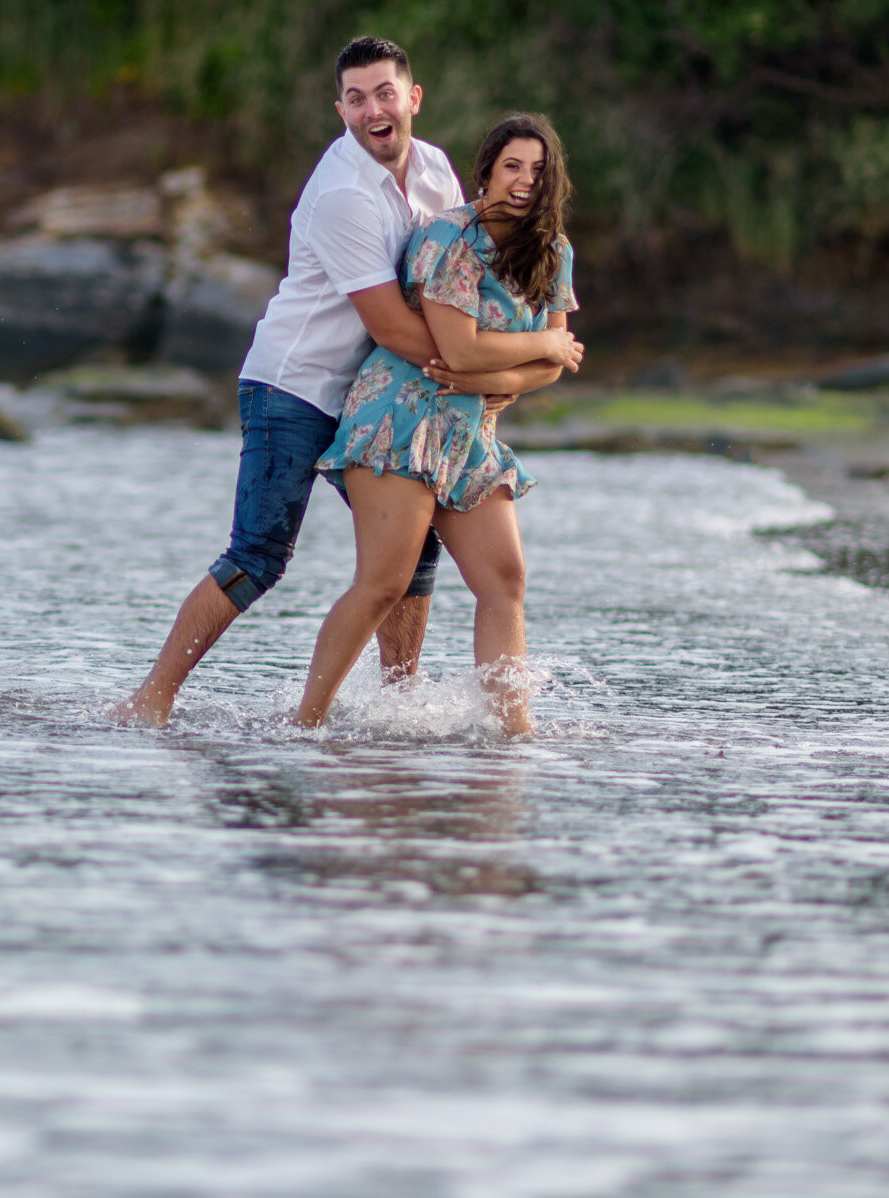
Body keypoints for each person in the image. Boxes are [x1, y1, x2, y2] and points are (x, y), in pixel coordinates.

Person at [113, 38, 563, 727]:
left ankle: (396, 704)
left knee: (412, 555)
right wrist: (492, 371)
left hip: (382, 393)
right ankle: (152, 700)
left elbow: (458, 286)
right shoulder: (343, 196)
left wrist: (492, 367)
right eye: (355, 98)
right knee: (259, 553)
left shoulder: (438, 171)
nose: (372, 109)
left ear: (412, 98)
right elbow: (399, 329)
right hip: (295, 386)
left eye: (384, 93)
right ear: (341, 110)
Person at [295, 113, 582, 738]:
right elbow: (461, 350)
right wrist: (540, 349)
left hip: (470, 427)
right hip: (400, 416)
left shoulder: (553, 251)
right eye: (512, 165)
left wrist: (509, 374)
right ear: (485, 170)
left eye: (538, 169)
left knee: (505, 578)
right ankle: (303, 725)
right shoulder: (448, 236)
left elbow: (546, 368)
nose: (525, 180)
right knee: (383, 583)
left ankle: (513, 735)